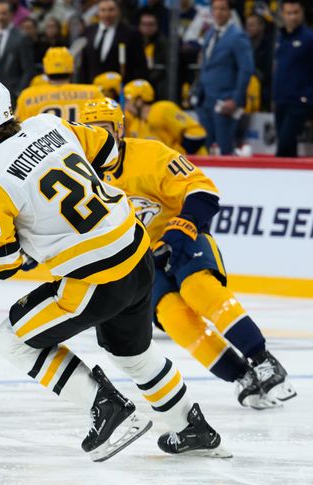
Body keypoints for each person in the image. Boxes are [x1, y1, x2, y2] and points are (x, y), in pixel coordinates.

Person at [0, 77, 230, 459]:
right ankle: (189, 426)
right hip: (136, 252)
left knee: (12, 337)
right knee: (131, 352)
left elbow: (1, 261)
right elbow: (109, 153)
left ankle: (107, 408)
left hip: (96, 278)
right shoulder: (50, 125)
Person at [82, 96, 296, 409]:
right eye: (91, 131)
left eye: (104, 129)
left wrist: (179, 230)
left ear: (119, 129)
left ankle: (263, 360)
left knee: (199, 289)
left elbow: (203, 191)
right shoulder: (81, 177)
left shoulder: (151, 154)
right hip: (141, 262)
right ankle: (241, 377)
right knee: (174, 318)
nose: (99, 138)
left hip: (182, 240)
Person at [194, 0, 253, 155]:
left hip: (225, 101)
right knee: (204, 147)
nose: (218, 12)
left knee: (225, 147)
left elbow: (246, 69)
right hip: (205, 100)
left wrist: (236, 99)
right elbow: (205, 66)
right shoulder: (210, 33)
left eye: (223, 9)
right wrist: (197, 92)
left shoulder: (237, 37)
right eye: (215, 9)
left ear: (230, 12)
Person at [272, 0, 313, 158]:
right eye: (289, 13)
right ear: (283, 14)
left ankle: (275, 175)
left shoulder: (311, 39)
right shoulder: (280, 37)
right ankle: (290, 179)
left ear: (302, 13)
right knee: (288, 146)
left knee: (284, 143)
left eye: (296, 13)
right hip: (281, 99)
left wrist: (311, 94)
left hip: (300, 101)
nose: (293, 17)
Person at [15, 46, 102, 122]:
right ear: (73, 68)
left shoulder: (27, 96)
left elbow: (19, 130)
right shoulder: (93, 93)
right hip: (81, 140)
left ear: (45, 69)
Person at [122, 79, 207, 155]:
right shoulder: (135, 124)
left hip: (195, 165)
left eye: (128, 100)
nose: (126, 106)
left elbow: (197, 133)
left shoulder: (162, 109)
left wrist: (180, 154)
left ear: (139, 101)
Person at [0, 0, 36, 101]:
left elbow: (28, 71)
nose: (0, 17)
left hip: (12, 95)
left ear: (11, 15)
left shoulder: (21, 38)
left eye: (4, 13)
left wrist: (18, 92)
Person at [80, 0, 148, 84]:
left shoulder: (131, 33)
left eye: (111, 10)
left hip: (120, 90)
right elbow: (84, 65)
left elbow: (140, 66)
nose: (107, 14)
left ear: (118, 11)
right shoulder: (88, 31)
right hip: (93, 89)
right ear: (98, 12)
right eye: (103, 10)